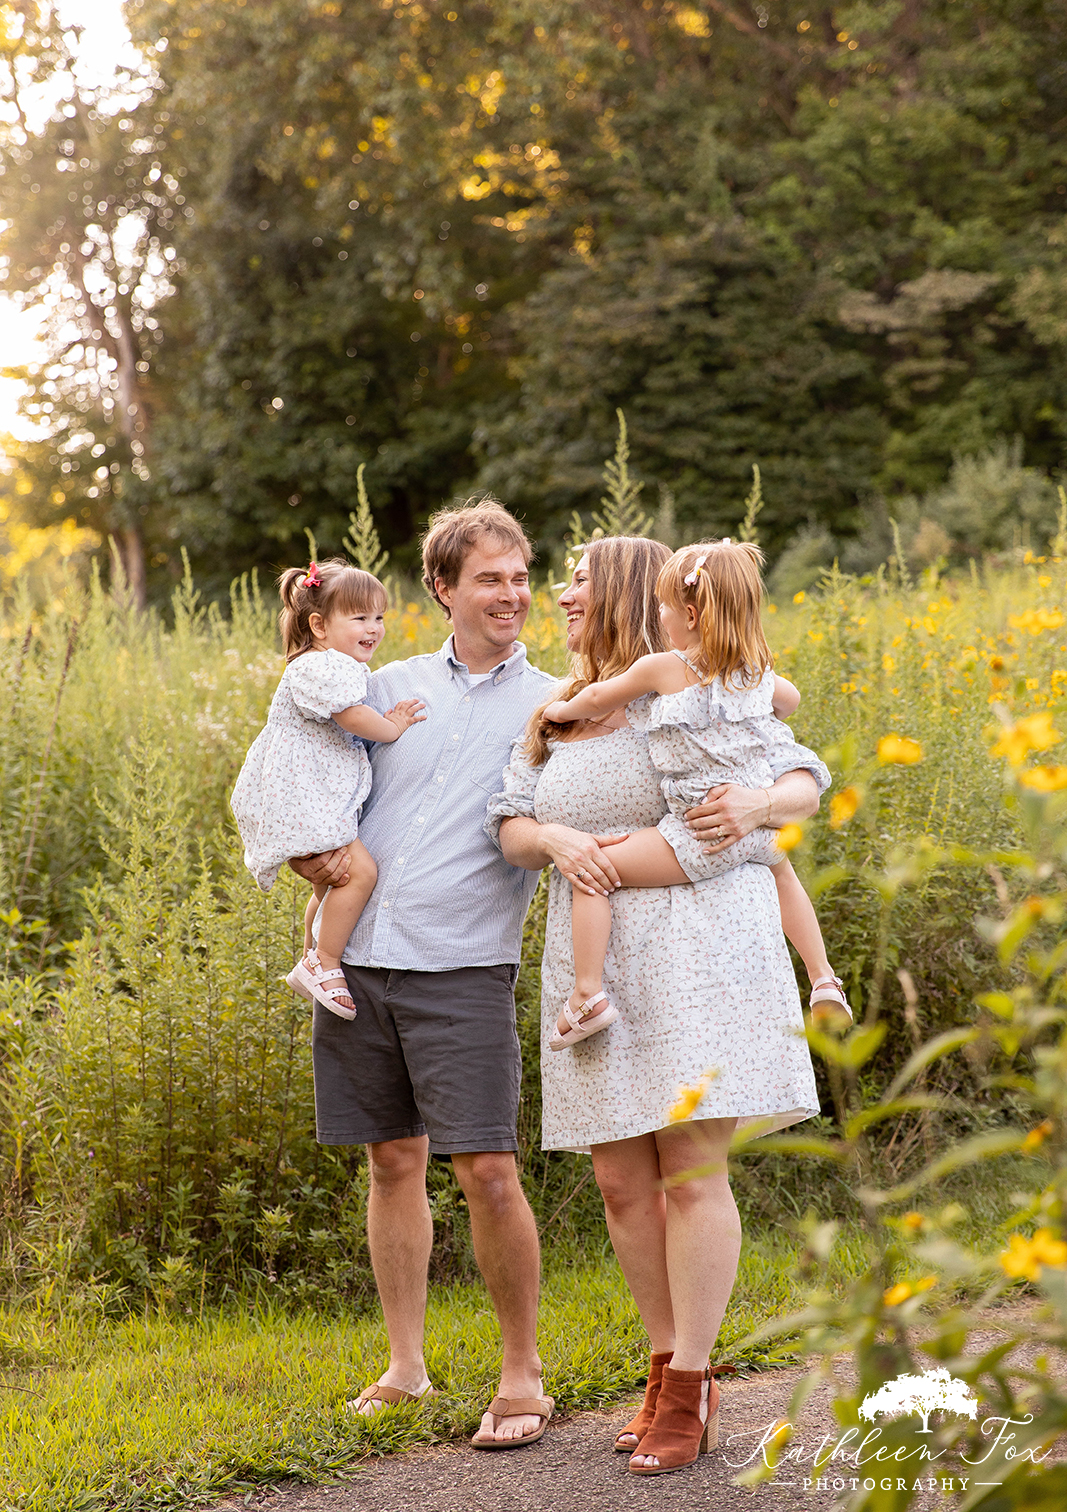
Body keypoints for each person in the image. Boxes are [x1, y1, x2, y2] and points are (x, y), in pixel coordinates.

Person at [490, 535, 829, 1476]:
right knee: (619, 1181)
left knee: (686, 1164)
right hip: (594, 957)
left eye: (579, 579)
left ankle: (689, 1382)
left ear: (635, 592)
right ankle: (662, 1364)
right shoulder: (554, 709)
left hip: (699, 944)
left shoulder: (688, 685)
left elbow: (799, 776)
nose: (561, 593)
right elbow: (510, 821)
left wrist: (761, 806)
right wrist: (553, 834)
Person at [288, 500, 559, 1448]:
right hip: (356, 961)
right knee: (390, 1161)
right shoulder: (379, 684)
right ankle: (406, 1366)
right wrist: (301, 858)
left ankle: (521, 1376)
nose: (512, 594)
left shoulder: (556, 703)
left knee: (487, 1167)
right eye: (489, 578)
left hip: (463, 964)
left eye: (519, 576)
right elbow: (305, 778)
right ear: (442, 590)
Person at [540, 538, 849, 1049]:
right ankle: (821, 978)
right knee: (784, 877)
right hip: (756, 829)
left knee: (593, 869)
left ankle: (587, 995)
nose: (658, 614)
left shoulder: (664, 669)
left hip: (697, 830)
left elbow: (596, 696)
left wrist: (560, 713)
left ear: (687, 613)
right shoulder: (754, 675)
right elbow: (789, 702)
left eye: (663, 605)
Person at [231, 559, 424, 1018]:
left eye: (378, 616)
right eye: (359, 617)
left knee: (326, 887)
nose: (373, 628)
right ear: (318, 626)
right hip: (302, 795)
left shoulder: (331, 663)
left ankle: (309, 958)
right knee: (360, 873)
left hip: (309, 792)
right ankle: (325, 960)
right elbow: (352, 717)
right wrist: (392, 725)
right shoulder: (321, 667)